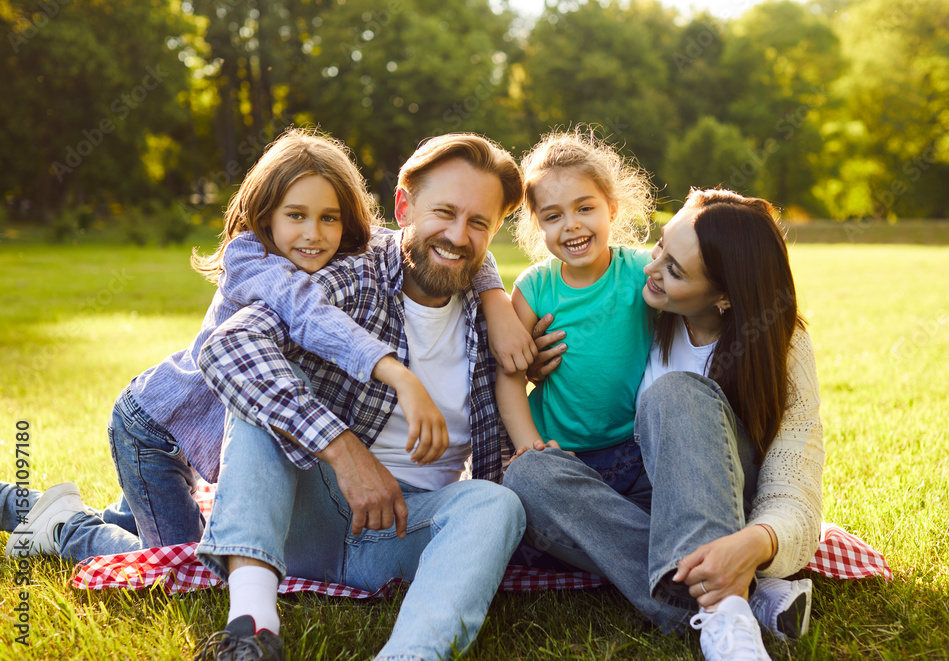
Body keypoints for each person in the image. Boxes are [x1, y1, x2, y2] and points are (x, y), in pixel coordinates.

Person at [2, 128, 530, 565]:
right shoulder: (259, 263)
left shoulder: (344, 250)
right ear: (265, 215)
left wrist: (493, 295)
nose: (314, 234)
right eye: (295, 215)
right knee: (184, 564)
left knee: (170, 526)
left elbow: (439, 237)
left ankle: (32, 505)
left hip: (208, 438)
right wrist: (394, 371)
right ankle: (61, 528)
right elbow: (314, 316)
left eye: (329, 218)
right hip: (160, 430)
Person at [192, 134, 527, 661]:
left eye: (478, 222)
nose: (458, 235)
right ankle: (252, 629)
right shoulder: (351, 277)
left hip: (405, 531)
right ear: (403, 206)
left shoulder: (497, 318)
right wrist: (344, 449)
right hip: (314, 511)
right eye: (443, 211)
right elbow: (228, 346)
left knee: (496, 503)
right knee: (261, 399)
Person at [504, 188, 824, 661]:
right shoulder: (645, 305)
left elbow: (795, 491)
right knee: (527, 474)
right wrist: (534, 365)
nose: (650, 269)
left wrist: (757, 543)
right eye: (659, 247)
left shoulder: (781, 345)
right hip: (641, 496)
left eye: (674, 271)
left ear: (724, 298)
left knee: (674, 392)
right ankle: (741, 597)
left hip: (724, 500)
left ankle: (717, 616)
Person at [496, 129, 655, 482]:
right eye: (553, 216)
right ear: (538, 224)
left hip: (638, 447)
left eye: (585, 207)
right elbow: (509, 375)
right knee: (534, 484)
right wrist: (534, 448)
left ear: (611, 208)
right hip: (561, 451)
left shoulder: (642, 272)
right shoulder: (535, 287)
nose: (572, 225)